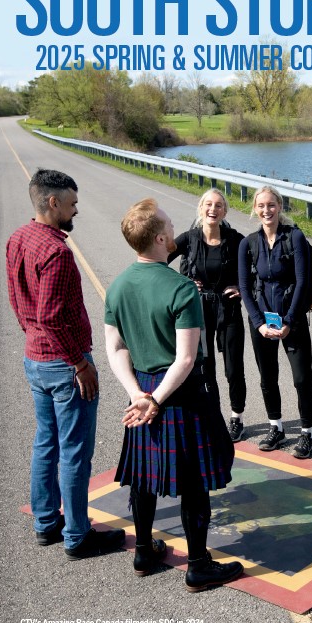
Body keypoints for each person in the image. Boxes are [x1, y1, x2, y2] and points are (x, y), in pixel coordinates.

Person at [104, 198, 243, 592]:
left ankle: (144, 551)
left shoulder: (117, 285)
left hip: (143, 392)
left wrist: (138, 395)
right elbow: (185, 359)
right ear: (162, 238)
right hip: (178, 396)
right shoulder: (182, 288)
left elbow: (115, 350)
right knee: (194, 482)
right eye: (168, 224)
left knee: (143, 478)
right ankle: (198, 565)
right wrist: (157, 400)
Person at [6, 168, 125, 559]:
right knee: (74, 451)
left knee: (46, 444)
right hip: (63, 364)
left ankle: (46, 522)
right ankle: (77, 535)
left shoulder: (18, 238)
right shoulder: (56, 252)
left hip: (35, 359)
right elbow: (53, 316)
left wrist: (34, 336)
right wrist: (80, 364)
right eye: (72, 203)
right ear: (52, 203)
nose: (77, 210)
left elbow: (18, 299)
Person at [238, 186, 312, 459]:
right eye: (261, 206)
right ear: (254, 209)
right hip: (262, 322)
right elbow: (245, 288)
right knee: (267, 378)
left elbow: (304, 281)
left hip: (291, 319)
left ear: (279, 206)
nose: (266, 210)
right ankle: (276, 427)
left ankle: (307, 432)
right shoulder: (248, 243)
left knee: (301, 378)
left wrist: (291, 320)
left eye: (271, 205)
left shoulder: (294, 237)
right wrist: (259, 323)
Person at [168, 189, 247, 442]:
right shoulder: (189, 239)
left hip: (229, 309)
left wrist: (242, 288)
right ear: (201, 209)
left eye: (219, 205)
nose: (213, 209)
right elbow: (158, 260)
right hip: (198, 311)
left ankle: (237, 417)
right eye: (208, 204)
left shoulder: (235, 240)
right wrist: (183, 282)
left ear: (225, 211)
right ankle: (213, 414)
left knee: (233, 368)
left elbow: (255, 267)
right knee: (205, 366)